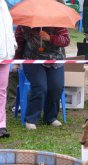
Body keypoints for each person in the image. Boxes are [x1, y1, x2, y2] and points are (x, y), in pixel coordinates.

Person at [14, 23, 70, 129]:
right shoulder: (24, 25)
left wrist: (50, 38)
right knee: (40, 86)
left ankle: (50, 118)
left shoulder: (58, 23)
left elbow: (66, 40)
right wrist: (17, 60)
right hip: (32, 59)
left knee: (56, 87)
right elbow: (18, 44)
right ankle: (31, 119)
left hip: (55, 59)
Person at [0, 0, 17, 137]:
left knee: (2, 92)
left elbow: (9, 28)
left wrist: (13, 45)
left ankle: (1, 125)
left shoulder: (4, 5)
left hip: (5, 56)